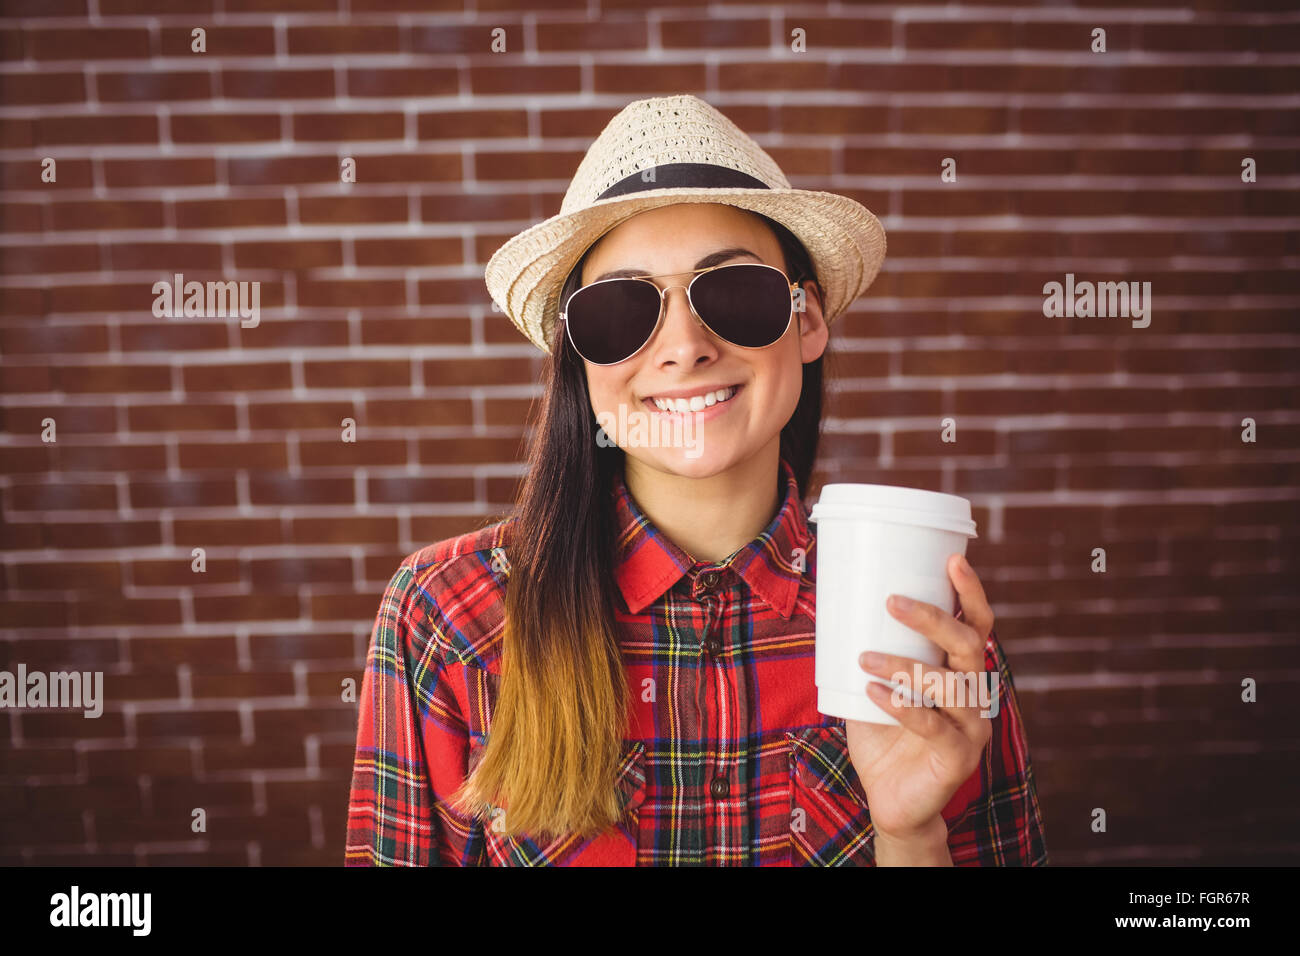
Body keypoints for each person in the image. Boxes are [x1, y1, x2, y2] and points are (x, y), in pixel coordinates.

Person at [345, 93, 1049, 866]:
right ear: (579, 358)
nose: (684, 346)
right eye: (622, 309)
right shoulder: (448, 616)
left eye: (733, 292)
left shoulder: (919, 623)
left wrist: (912, 837)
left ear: (807, 320)